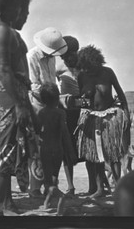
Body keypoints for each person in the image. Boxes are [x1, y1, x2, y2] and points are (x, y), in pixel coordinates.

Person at [0, 0, 41, 216]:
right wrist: (20, 104)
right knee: (4, 158)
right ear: (13, 5)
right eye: (23, 10)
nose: (24, 16)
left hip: (1, 95)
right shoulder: (2, 31)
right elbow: (4, 70)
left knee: (4, 156)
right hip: (8, 97)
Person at [75, 45, 130, 198]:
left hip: (110, 117)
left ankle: (118, 187)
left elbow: (121, 95)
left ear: (97, 63)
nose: (86, 71)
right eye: (84, 68)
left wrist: (126, 117)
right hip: (91, 117)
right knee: (95, 155)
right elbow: (82, 100)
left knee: (113, 153)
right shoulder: (82, 76)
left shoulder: (108, 73)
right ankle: (99, 188)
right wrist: (79, 102)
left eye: (88, 68)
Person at [27, 27, 67, 197]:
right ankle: (35, 187)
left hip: (51, 102)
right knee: (36, 147)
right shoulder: (32, 57)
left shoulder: (51, 59)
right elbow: (33, 85)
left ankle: (51, 185)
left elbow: (51, 80)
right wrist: (49, 97)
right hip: (37, 104)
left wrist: (56, 100)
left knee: (51, 148)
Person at [37, 83, 77, 214]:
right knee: (54, 177)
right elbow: (64, 132)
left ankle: (57, 197)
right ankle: (49, 201)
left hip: (45, 149)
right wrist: (71, 151)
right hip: (58, 150)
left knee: (48, 180)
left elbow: (37, 130)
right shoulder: (61, 113)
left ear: (42, 99)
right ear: (57, 97)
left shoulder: (41, 113)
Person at [57, 35, 82, 196]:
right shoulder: (60, 65)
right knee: (67, 148)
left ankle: (91, 184)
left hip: (79, 109)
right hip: (68, 108)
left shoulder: (80, 65)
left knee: (83, 147)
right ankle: (71, 186)